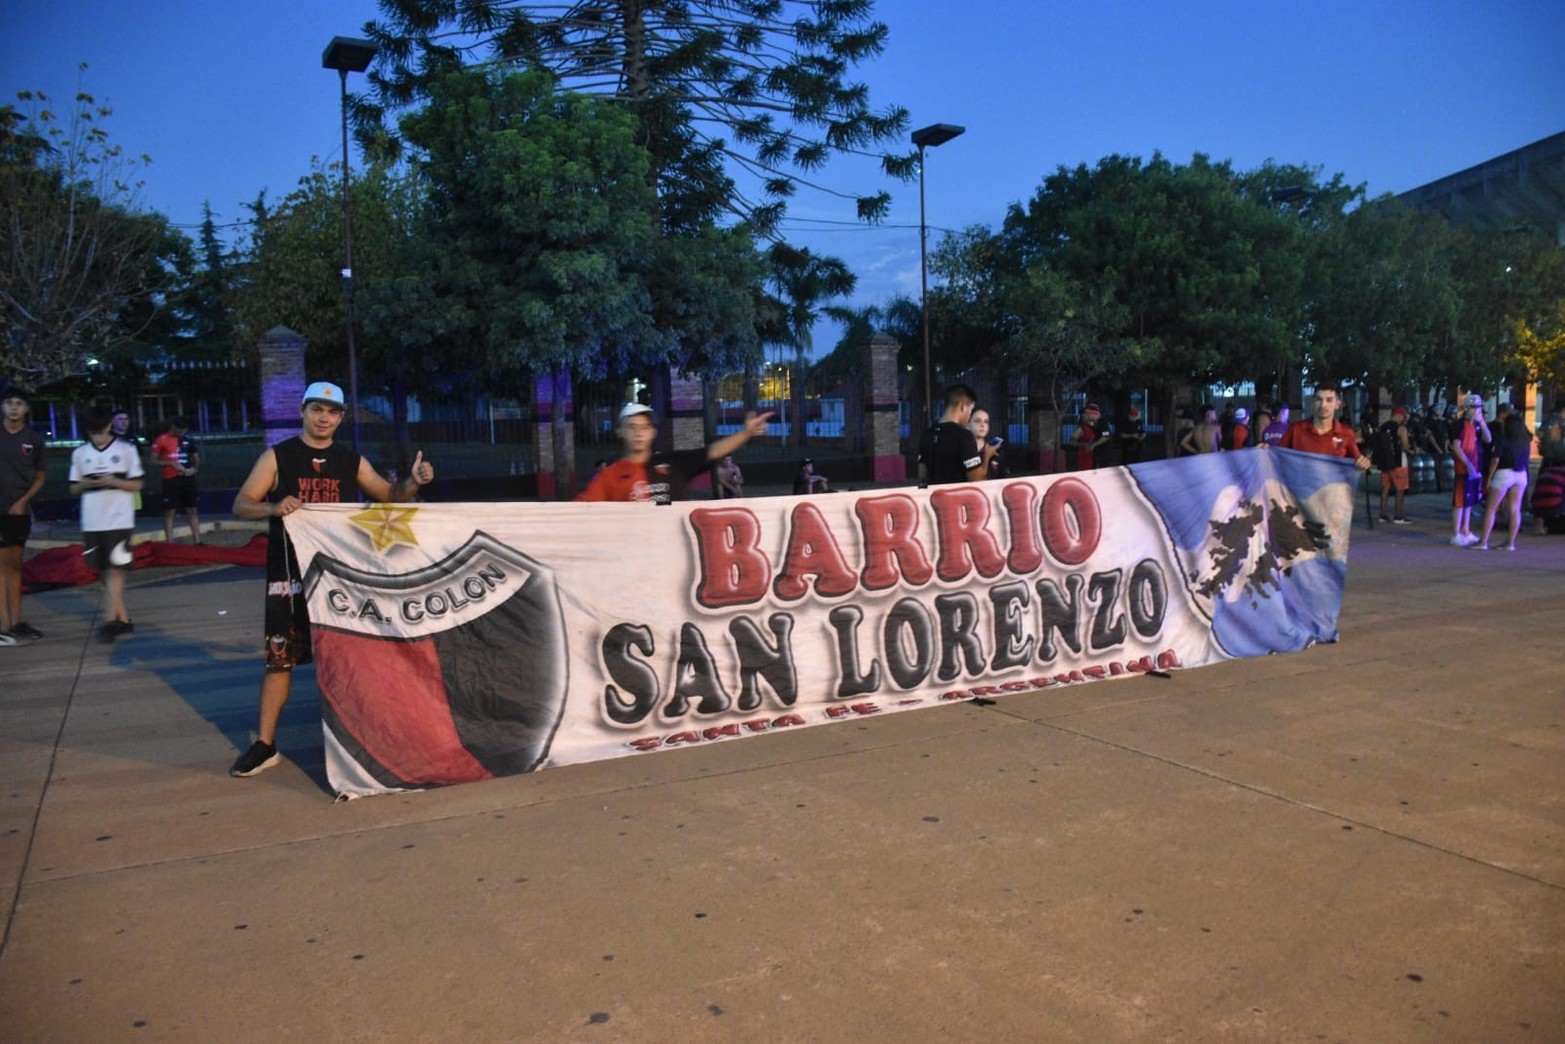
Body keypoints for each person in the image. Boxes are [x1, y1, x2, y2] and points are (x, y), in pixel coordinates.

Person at [228, 381, 436, 778]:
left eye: (332, 411)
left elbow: (390, 496)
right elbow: (241, 504)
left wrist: (414, 483)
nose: (324, 417)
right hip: (288, 576)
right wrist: (273, 506)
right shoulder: (278, 457)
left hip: (338, 577)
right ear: (304, 412)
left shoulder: (350, 461)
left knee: (350, 658)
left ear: (341, 417)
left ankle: (364, 738)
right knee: (279, 659)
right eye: (317, 409)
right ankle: (265, 744)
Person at [576, 402, 772, 503]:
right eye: (632, 427)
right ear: (619, 431)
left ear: (653, 432)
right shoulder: (609, 477)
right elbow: (575, 513)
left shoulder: (673, 463)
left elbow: (713, 452)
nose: (639, 432)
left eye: (644, 427)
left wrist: (746, 433)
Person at [69, 407, 144, 643]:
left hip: (118, 519)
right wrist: (87, 484)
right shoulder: (80, 453)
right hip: (92, 520)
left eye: (101, 432)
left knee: (116, 569)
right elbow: (73, 487)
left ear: (109, 427)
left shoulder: (126, 450)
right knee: (103, 570)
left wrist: (113, 481)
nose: (98, 438)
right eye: (93, 434)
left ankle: (110, 620)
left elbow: (137, 484)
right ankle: (122, 618)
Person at [1, 386, 49, 645]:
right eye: (9, 403)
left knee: (15, 566)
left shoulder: (33, 439)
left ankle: (16, 621)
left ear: (26, 408)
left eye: (19, 403)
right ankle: (5, 624)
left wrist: (22, 501)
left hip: (19, 510)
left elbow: (40, 476)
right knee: (2, 567)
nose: (14, 407)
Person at [1277, 387, 1372, 471]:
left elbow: (1358, 461)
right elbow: (1277, 455)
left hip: (1332, 490)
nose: (1323, 405)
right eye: (1319, 399)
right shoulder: (1296, 429)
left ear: (1338, 404)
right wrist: (1265, 450)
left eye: (1329, 400)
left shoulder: (1346, 433)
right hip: (1299, 490)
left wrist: (1364, 463)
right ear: (1313, 402)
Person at [917, 384, 997, 485]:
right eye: (970, 410)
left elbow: (922, 477)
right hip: (958, 499)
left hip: (934, 499)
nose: (969, 416)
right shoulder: (964, 436)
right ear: (963, 407)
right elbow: (977, 480)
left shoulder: (926, 435)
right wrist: (987, 456)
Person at [1476, 412, 1532, 551]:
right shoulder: (1525, 439)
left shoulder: (1503, 439)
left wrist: (1488, 479)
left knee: (1491, 509)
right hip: (1521, 474)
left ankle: (1483, 542)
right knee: (1515, 510)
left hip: (1504, 473)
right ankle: (1510, 543)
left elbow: (1495, 460)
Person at [1446, 394, 1491, 547]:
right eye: (1473, 407)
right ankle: (1456, 532)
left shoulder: (1476, 425)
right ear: (1467, 408)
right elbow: (1456, 446)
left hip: (1474, 466)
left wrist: (1482, 422)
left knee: (1469, 501)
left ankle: (1466, 529)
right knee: (1459, 501)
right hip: (1463, 468)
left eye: (1478, 407)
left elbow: (1488, 439)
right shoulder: (1460, 425)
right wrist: (1467, 464)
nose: (1476, 410)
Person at [151, 416, 202, 543]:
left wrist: (194, 469)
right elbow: (153, 460)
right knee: (170, 511)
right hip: (171, 478)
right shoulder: (161, 439)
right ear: (172, 427)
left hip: (188, 478)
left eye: (183, 431)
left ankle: (197, 541)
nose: (180, 434)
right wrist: (170, 463)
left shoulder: (189, 439)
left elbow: (196, 459)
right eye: (178, 431)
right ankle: (170, 541)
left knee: (192, 509)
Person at [1374, 406, 1413, 524]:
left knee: (1385, 488)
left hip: (1385, 462)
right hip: (1398, 462)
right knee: (1400, 489)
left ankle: (1383, 514)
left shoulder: (1382, 427)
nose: (1403, 419)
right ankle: (1399, 516)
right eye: (1403, 416)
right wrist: (1411, 450)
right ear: (1400, 416)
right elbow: (1405, 446)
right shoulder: (1401, 428)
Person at [969, 407, 1008, 478]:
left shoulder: (996, 451)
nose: (982, 425)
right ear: (968, 424)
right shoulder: (965, 451)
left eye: (986, 422)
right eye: (977, 421)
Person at [1071, 402, 1111, 470]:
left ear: (1094, 414)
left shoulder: (1103, 423)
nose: (1087, 416)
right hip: (1095, 454)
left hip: (1103, 454)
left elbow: (1105, 437)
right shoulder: (1092, 424)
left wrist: (1093, 445)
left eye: (1088, 414)